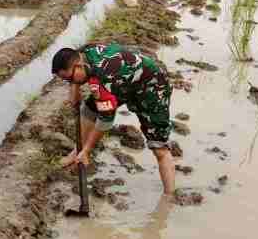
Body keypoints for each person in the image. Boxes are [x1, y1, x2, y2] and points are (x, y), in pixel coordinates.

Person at [52, 43, 176, 195]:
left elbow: (105, 121)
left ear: (79, 65)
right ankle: (77, 152)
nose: (70, 81)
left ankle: (169, 197)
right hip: (127, 81)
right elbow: (76, 78)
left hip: (153, 88)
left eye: (70, 78)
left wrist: (88, 150)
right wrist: (74, 89)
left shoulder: (106, 78)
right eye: (66, 80)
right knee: (90, 108)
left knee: (159, 147)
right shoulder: (83, 54)